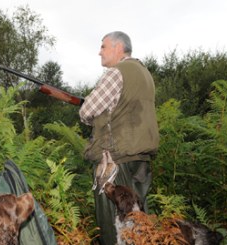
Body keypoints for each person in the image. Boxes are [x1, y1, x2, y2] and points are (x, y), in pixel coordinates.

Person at [79, 31, 159, 244]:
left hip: (115, 160)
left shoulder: (116, 73)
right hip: (141, 160)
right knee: (139, 220)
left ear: (117, 47)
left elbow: (87, 110)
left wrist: (87, 108)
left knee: (111, 225)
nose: (99, 52)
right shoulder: (145, 75)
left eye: (103, 47)